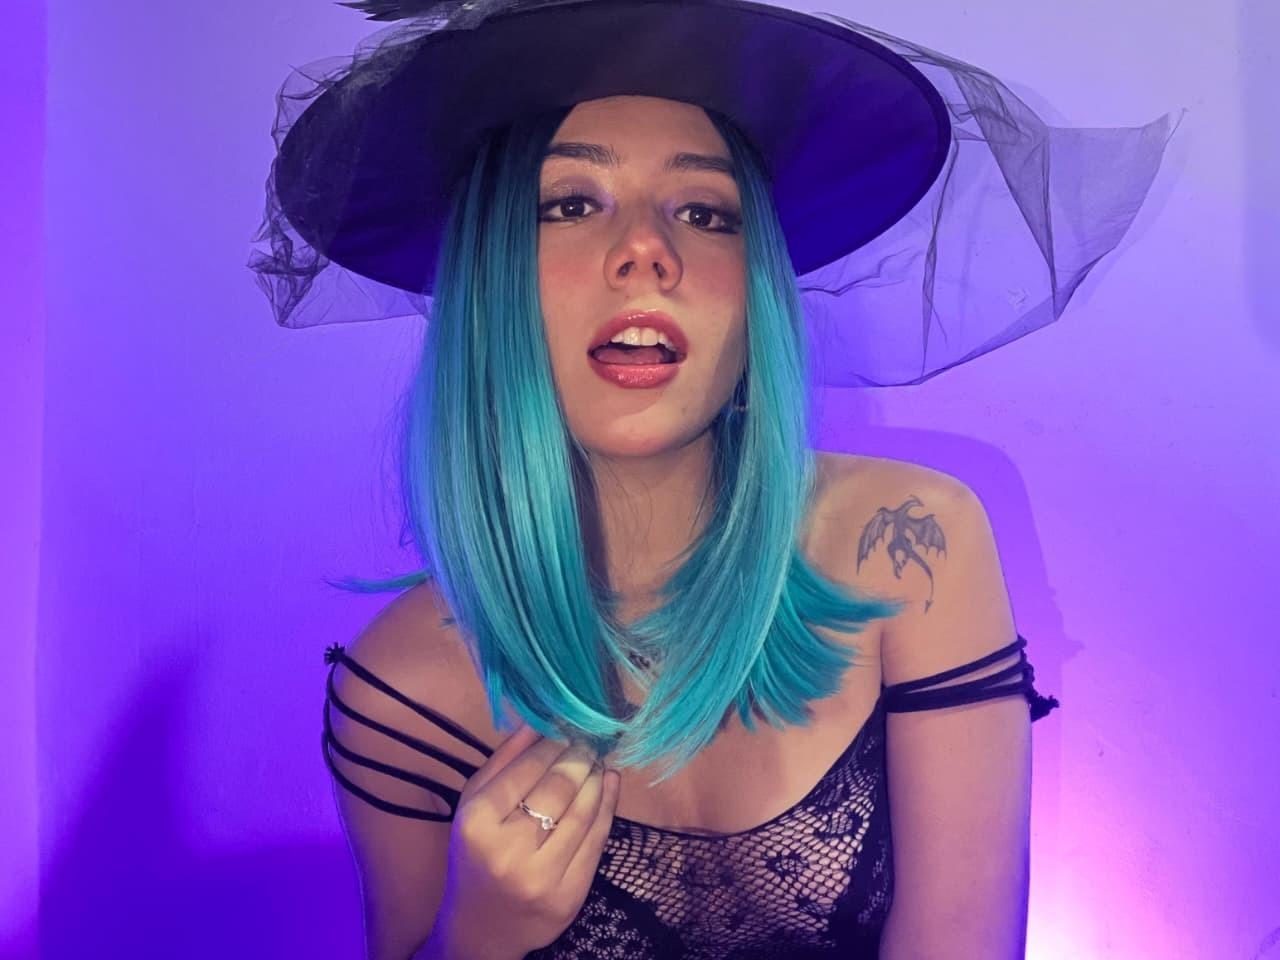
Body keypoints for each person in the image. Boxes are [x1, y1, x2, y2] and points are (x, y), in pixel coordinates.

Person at [248, 2, 1177, 957]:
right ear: (488, 282)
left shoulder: (908, 543)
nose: (647, 251)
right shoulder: (401, 694)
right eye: (569, 204)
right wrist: (476, 934)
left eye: (705, 212)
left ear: (756, 287)